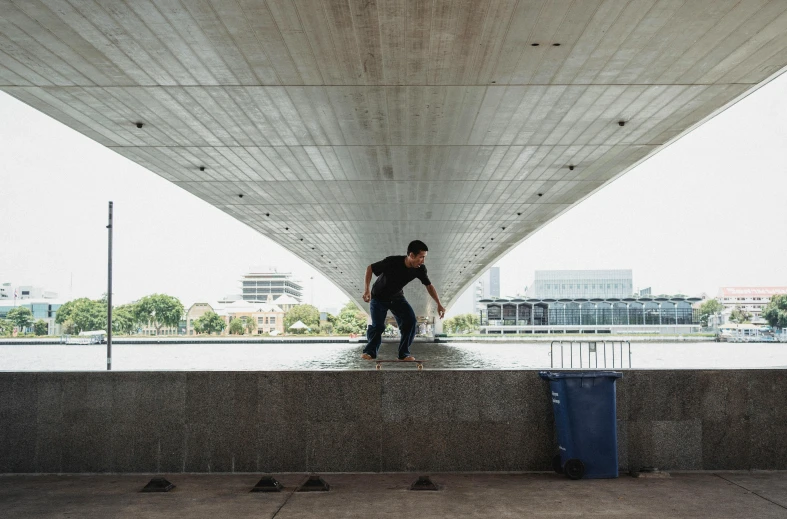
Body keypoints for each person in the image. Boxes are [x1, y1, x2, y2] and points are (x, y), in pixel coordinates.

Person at [361, 240, 445, 361]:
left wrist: (439, 304)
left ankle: (404, 354)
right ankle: (370, 352)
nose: (423, 261)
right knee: (378, 326)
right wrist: (366, 290)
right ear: (411, 255)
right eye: (421, 257)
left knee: (410, 321)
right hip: (378, 297)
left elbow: (429, 286)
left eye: (424, 257)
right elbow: (370, 268)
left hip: (397, 298)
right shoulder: (392, 261)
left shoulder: (420, 269)